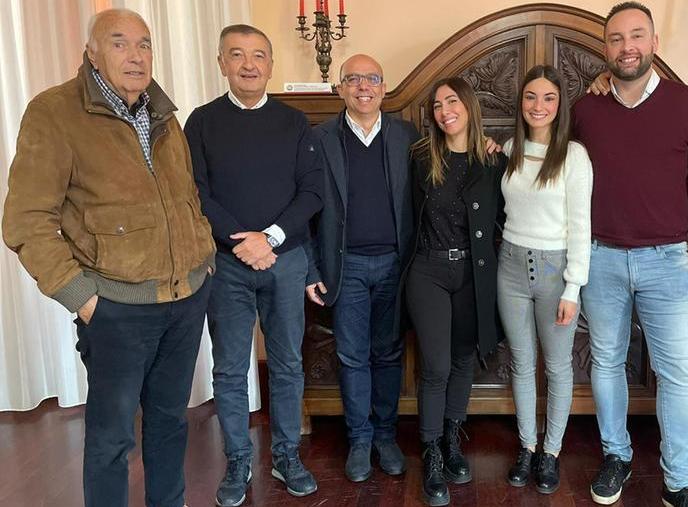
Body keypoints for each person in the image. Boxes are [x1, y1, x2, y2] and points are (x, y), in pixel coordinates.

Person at [2, 8, 215, 507]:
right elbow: (26, 221)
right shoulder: (54, 112)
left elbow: (186, 199)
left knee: (168, 425)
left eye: (144, 44)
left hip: (183, 300)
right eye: (120, 43)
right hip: (115, 310)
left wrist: (204, 264)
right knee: (111, 440)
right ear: (93, 52)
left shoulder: (162, 112)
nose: (136, 55)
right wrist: (84, 299)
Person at [573, 2, 688, 506]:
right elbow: (571, 176)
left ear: (655, 44)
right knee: (606, 361)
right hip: (601, 257)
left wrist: (662, 209)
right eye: (615, 38)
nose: (626, 46)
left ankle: (679, 481)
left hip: (666, 259)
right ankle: (617, 455)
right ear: (605, 48)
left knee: (678, 370)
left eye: (637, 36)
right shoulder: (585, 108)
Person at [184, 24, 323, 507]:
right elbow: (196, 193)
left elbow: (312, 192)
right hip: (227, 267)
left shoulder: (294, 122)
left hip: (285, 262)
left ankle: (286, 455)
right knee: (228, 368)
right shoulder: (201, 122)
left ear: (270, 64)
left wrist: (271, 238)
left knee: (286, 363)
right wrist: (240, 242)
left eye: (259, 55)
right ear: (221, 62)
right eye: (237, 55)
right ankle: (238, 460)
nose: (249, 64)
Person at [304, 54, 419, 482]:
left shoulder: (406, 136)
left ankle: (386, 436)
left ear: (383, 88)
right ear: (340, 89)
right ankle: (359, 439)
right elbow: (308, 211)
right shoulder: (320, 139)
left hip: (395, 263)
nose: (363, 86)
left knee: (388, 353)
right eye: (353, 79)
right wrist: (312, 268)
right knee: (352, 356)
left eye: (372, 79)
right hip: (345, 266)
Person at [407, 77, 507, 506]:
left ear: (468, 106)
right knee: (437, 365)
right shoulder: (420, 157)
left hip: (473, 270)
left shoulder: (492, 161)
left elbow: (505, 217)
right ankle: (430, 452)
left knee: (465, 358)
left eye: (452, 101)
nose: (444, 110)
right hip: (428, 269)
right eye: (436, 105)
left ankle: (451, 440)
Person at [497, 64, 592, 495]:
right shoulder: (512, 149)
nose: (539, 105)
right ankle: (527, 446)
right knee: (521, 362)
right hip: (510, 266)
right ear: (521, 103)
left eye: (548, 98)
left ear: (560, 105)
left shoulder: (574, 156)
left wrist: (573, 287)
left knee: (556, 366)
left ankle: (551, 452)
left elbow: (581, 227)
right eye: (531, 97)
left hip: (556, 271)